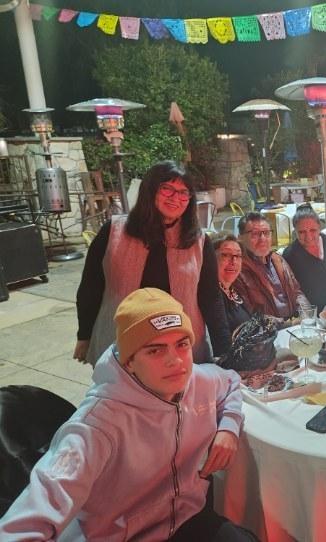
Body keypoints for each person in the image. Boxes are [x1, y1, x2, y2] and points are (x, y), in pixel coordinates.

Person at [0, 288, 252, 541]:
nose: (175, 361)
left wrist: (228, 427)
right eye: (155, 350)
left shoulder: (196, 379)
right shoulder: (96, 427)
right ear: (129, 361)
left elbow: (230, 381)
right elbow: (25, 522)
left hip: (188, 518)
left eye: (181, 344)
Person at [74, 160, 230, 366]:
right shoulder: (113, 232)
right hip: (120, 342)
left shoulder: (198, 242)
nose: (176, 198)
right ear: (150, 190)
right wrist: (84, 335)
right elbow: (90, 287)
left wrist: (224, 350)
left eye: (183, 192)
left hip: (181, 348)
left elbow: (210, 298)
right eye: (167, 189)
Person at [234, 212, 309, 328]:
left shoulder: (278, 259)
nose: (263, 239)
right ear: (240, 238)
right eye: (255, 234)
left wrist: (306, 315)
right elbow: (250, 315)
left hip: (296, 325)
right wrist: (288, 324)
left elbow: (297, 292)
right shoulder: (237, 270)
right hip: (270, 333)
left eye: (266, 233)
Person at [214, 236, 251, 334]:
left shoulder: (234, 290)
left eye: (238, 256)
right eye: (225, 255)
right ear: (211, 258)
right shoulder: (211, 296)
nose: (234, 261)